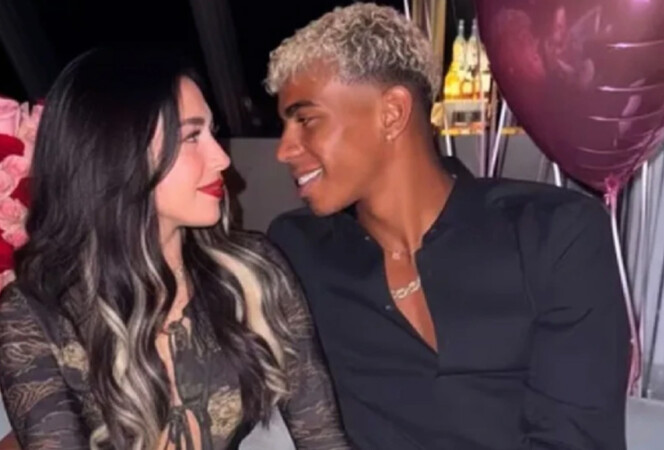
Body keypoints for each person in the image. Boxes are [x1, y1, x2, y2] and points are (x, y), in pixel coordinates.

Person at [265, 4, 629, 449]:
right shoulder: (298, 251)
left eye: (305, 120)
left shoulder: (555, 233)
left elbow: (576, 439)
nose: (284, 149)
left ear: (392, 112)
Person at [0, 46, 350, 450]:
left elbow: (322, 437)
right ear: (118, 152)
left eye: (211, 132)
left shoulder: (253, 270)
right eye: (192, 136)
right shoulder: (35, 314)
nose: (221, 159)